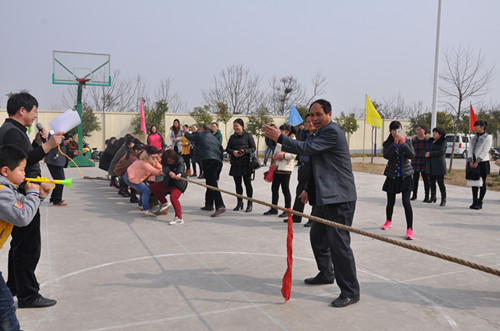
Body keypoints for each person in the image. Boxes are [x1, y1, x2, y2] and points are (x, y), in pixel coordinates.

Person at [262, 99, 360, 308]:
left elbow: (306, 149)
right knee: (317, 237)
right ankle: (326, 273)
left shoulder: (332, 132)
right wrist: (308, 189)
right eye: (311, 115)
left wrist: (280, 137)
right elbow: (318, 166)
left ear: (329, 114)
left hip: (340, 198)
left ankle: (350, 291)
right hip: (325, 197)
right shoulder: (319, 134)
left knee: (339, 246)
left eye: (318, 114)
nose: (314, 119)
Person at [0, 91, 62, 308]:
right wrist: (48, 146)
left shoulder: (14, 131)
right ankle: (28, 294)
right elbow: (20, 164)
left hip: (25, 191)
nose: (36, 115)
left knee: (21, 245)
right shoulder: (12, 133)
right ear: (22, 110)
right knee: (28, 247)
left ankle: (15, 286)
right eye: (34, 110)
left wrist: (37, 144)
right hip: (23, 194)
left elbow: (26, 156)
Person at [0, 145, 51, 329]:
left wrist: (38, 196)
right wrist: (32, 193)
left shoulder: (8, 188)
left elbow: (21, 205)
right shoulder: (1, 191)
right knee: (5, 307)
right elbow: (22, 217)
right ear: (5, 171)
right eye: (21, 170)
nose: (24, 174)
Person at [380, 121, 416, 240]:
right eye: (394, 130)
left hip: (405, 177)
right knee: (390, 201)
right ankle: (388, 220)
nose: (396, 132)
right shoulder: (388, 143)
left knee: (406, 202)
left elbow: (412, 155)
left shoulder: (408, 141)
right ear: (390, 131)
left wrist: (403, 144)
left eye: (398, 129)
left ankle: (409, 229)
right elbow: (386, 156)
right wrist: (394, 144)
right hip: (392, 176)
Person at [184, 124, 226, 217]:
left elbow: (189, 136)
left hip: (209, 160)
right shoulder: (214, 138)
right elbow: (221, 150)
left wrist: (186, 131)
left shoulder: (200, 135)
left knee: (213, 184)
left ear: (202, 129)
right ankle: (209, 204)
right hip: (218, 162)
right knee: (210, 182)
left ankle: (220, 205)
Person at [263, 124, 296, 218]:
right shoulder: (279, 140)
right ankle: (274, 208)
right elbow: (275, 151)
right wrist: (274, 156)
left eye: (281, 131)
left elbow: (293, 155)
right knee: (274, 188)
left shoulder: (292, 141)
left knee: (285, 189)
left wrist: (282, 155)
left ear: (287, 132)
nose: (278, 133)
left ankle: (288, 210)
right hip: (277, 167)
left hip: (285, 168)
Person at [226, 118, 256, 213]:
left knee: (247, 184)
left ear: (242, 126)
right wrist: (233, 152)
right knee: (238, 184)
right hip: (235, 163)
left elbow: (253, 148)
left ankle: (249, 204)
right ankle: (239, 203)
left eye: (237, 126)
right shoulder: (232, 137)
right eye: (234, 126)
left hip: (246, 163)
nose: (235, 128)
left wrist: (245, 151)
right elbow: (227, 149)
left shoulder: (248, 136)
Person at [123, 146, 163, 217]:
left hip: (137, 177)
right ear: (148, 154)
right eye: (153, 154)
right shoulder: (144, 162)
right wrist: (161, 172)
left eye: (155, 154)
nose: (155, 156)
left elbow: (159, 166)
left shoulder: (152, 159)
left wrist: (167, 171)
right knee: (146, 190)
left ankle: (141, 205)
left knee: (146, 189)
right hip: (130, 177)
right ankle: (145, 211)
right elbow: (152, 170)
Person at [150, 149, 188, 225]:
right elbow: (165, 168)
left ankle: (179, 218)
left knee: (173, 197)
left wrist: (179, 174)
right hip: (168, 183)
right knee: (153, 187)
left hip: (179, 184)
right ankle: (165, 203)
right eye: (168, 161)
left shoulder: (179, 159)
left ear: (174, 158)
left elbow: (181, 167)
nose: (170, 162)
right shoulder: (165, 162)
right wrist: (170, 172)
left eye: (171, 160)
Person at [290, 114, 315, 226]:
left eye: (312, 122)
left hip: (313, 167)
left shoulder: (318, 136)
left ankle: (313, 219)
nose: (310, 124)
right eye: (307, 122)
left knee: (314, 192)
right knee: (299, 191)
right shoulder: (304, 135)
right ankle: (296, 216)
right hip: (303, 166)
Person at [45, 134, 79, 206]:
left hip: (57, 161)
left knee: (57, 180)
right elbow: (54, 142)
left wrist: (73, 152)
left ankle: (54, 198)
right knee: (61, 180)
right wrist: (63, 142)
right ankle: (57, 200)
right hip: (54, 161)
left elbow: (64, 149)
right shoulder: (53, 132)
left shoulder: (63, 135)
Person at [468, 120, 493, 210]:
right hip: (473, 162)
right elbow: (470, 148)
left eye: (476, 126)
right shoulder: (474, 137)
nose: (475, 128)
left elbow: (486, 150)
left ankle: (480, 201)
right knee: (474, 182)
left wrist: (478, 161)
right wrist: (470, 160)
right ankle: (474, 200)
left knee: (482, 182)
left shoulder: (488, 137)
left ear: (482, 127)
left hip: (483, 162)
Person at [425, 127, 447, 206]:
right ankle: (433, 197)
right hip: (430, 165)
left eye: (435, 132)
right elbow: (426, 149)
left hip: (439, 166)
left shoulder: (443, 142)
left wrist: (430, 154)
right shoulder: (431, 141)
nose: (433, 134)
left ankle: (443, 199)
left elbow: (441, 152)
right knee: (432, 182)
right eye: (433, 132)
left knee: (440, 183)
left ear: (440, 134)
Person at [411, 124, 430, 202]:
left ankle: (427, 196)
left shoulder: (428, 140)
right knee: (415, 180)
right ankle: (414, 195)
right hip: (415, 162)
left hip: (424, 162)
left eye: (420, 130)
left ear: (424, 130)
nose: (418, 131)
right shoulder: (414, 140)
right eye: (417, 130)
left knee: (426, 180)